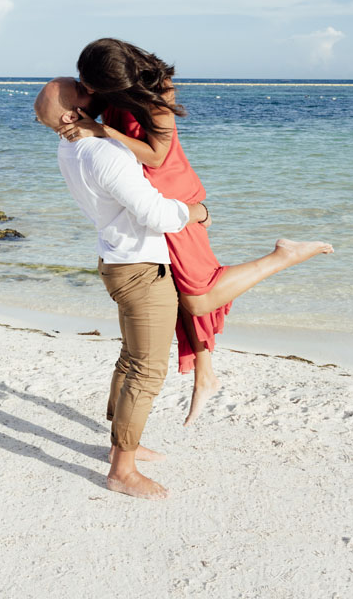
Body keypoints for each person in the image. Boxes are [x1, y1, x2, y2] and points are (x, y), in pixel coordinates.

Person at [57, 38, 334, 425]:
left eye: (92, 85)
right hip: (149, 203)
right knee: (179, 290)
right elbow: (70, 107)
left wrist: (103, 132)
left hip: (174, 200)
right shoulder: (112, 94)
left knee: (198, 297)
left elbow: (157, 156)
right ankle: (205, 375)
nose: (86, 90)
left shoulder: (157, 99)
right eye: (83, 81)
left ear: (116, 82)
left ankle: (283, 255)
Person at [34, 77, 210, 501]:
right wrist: (197, 211)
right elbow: (158, 215)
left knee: (131, 358)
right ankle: (121, 470)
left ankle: (122, 444)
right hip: (142, 269)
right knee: (147, 371)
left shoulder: (68, 146)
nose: (90, 88)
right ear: (70, 114)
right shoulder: (104, 152)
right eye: (81, 89)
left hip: (116, 261)